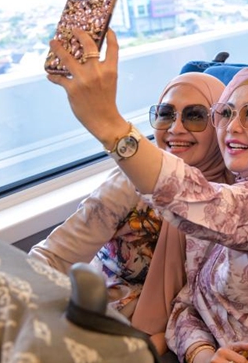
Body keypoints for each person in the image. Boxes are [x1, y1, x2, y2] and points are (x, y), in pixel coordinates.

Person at [47, 28, 248, 363]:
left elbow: (200, 202)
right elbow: (188, 303)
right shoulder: (226, 202)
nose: (233, 126)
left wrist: (110, 125)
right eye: (226, 113)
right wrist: (203, 353)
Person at [30, 71, 231, 355]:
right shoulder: (132, 183)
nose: (175, 128)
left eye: (195, 116)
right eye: (165, 114)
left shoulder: (235, 199)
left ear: (219, 124)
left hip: (172, 336)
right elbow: (53, 256)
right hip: (100, 319)